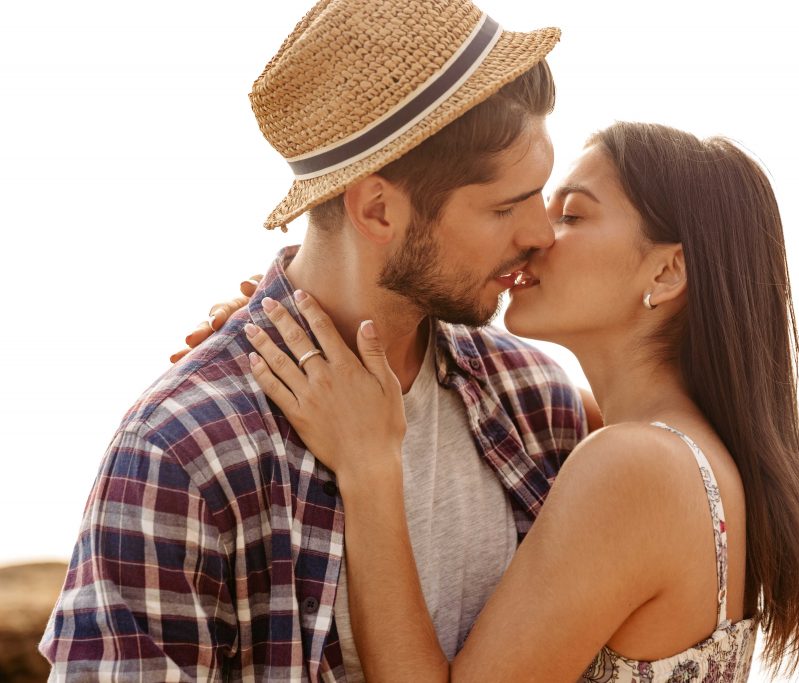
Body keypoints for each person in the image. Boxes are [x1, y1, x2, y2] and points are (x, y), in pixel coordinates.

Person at [39, 0, 591, 679]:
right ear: (378, 209)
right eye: (506, 206)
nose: (540, 234)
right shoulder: (182, 452)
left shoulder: (538, 403)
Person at [197, 123, 799, 681]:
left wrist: (369, 470)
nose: (537, 237)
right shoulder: (641, 439)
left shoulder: (636, 466)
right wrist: (293, 317)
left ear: (666, 273)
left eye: (573, 215)